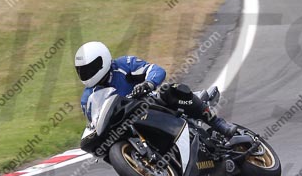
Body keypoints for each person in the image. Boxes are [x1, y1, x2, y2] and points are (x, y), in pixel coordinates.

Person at [75, 41, 237, 138]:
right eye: (82, 71)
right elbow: (96, 122)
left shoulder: (123, 65)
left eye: (90, 68)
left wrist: (147, 84)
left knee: (170, 90)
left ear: (103, 60)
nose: (86, 74)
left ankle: (218, 123)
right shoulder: (87, 98)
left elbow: (156, 70)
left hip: (151, 104)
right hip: (127, 126)